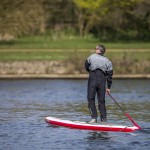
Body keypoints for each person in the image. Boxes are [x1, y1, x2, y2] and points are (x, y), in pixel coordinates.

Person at [85, 44, 113, 123]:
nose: (95, 49)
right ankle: (104, 119)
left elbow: (86, 66)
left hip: (93, 78)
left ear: (98, 50)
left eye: (96, 48)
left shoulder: (91, 57)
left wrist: (91, 72)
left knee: (91, 98)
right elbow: (110, 75)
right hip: (102, 80)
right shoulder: (108, 61)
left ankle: (94, 118)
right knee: (101, 100)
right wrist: (108, 87)